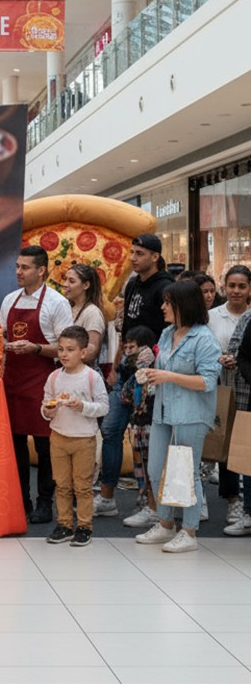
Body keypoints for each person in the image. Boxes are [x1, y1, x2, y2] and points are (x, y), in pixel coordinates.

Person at [136, 280, 221, 553]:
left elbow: (207, 381)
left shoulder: (205, 339)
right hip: (163, 411)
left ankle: (190, 530)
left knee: (186, 471)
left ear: (182, 305)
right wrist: (150, 375)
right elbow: (162, 368)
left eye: (167, 302)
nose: (162, 307)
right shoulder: (167, 333)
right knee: (156, 468)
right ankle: (165, 524)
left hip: (191, 414)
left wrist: (168, 376)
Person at [96, 234, 174, 518]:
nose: (133, 258)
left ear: (155, 256)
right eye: (132, 252)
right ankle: (107, 497)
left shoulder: (165, 287)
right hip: (126, 371)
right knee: (111, 430)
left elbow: (169, 333)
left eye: (139, 253)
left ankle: (150, 502)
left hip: (151, 375)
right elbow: (126, 330)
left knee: (146, 440)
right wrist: (116, 366)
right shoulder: (131, 284)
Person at [0, 245, 73, 523]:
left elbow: (67, 348)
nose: (18, 272)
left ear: (41, 271)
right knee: (15, 443)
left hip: (44, 381)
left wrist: (35, 348)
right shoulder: (9, 300)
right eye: (17, 266)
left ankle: (44, 502)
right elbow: (0, 336)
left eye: (25, 267)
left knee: (45, 447)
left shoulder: (56, 303)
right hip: (13, 381)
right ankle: (21, 499)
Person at [42, 326, 109, 547]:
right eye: (60, 349)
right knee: (61, 484)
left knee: (82, 485)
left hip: (84, 439)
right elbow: (44, 406)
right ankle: (64, 524)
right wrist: (47, 411)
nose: (63, 354)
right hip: (58, 437)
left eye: (70, 349)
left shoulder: (91, 377)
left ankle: (84, 526)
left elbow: (103, 407)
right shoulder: (53, 377)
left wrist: (82, 406)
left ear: (83, 352)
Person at [207, 265, 251, 529]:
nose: (236, 291)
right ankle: (232, 499)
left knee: (243, 446)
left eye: (242, 286)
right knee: (227, 446)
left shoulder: (248, 316)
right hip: (223, 387)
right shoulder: (212, 317)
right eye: (232, 286)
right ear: (224, 286)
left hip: (245, 388)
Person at [119, 325, 160, 528]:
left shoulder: (151, 369)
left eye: (132, 347)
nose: (128, 351)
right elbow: (125, 396)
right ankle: (146, 503)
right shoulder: (134, 372)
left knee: (151, 466)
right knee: (141, 467)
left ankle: (154, 508)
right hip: (139, 424)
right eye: (125, 347)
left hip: (151, 424)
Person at [63, 263, 106, 367]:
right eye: (65, 279)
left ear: (86, 285)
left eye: (71, 281)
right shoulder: (66, 308)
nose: (65, 284)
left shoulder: (92, 313)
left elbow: (90, 353)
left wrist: (60, 352)